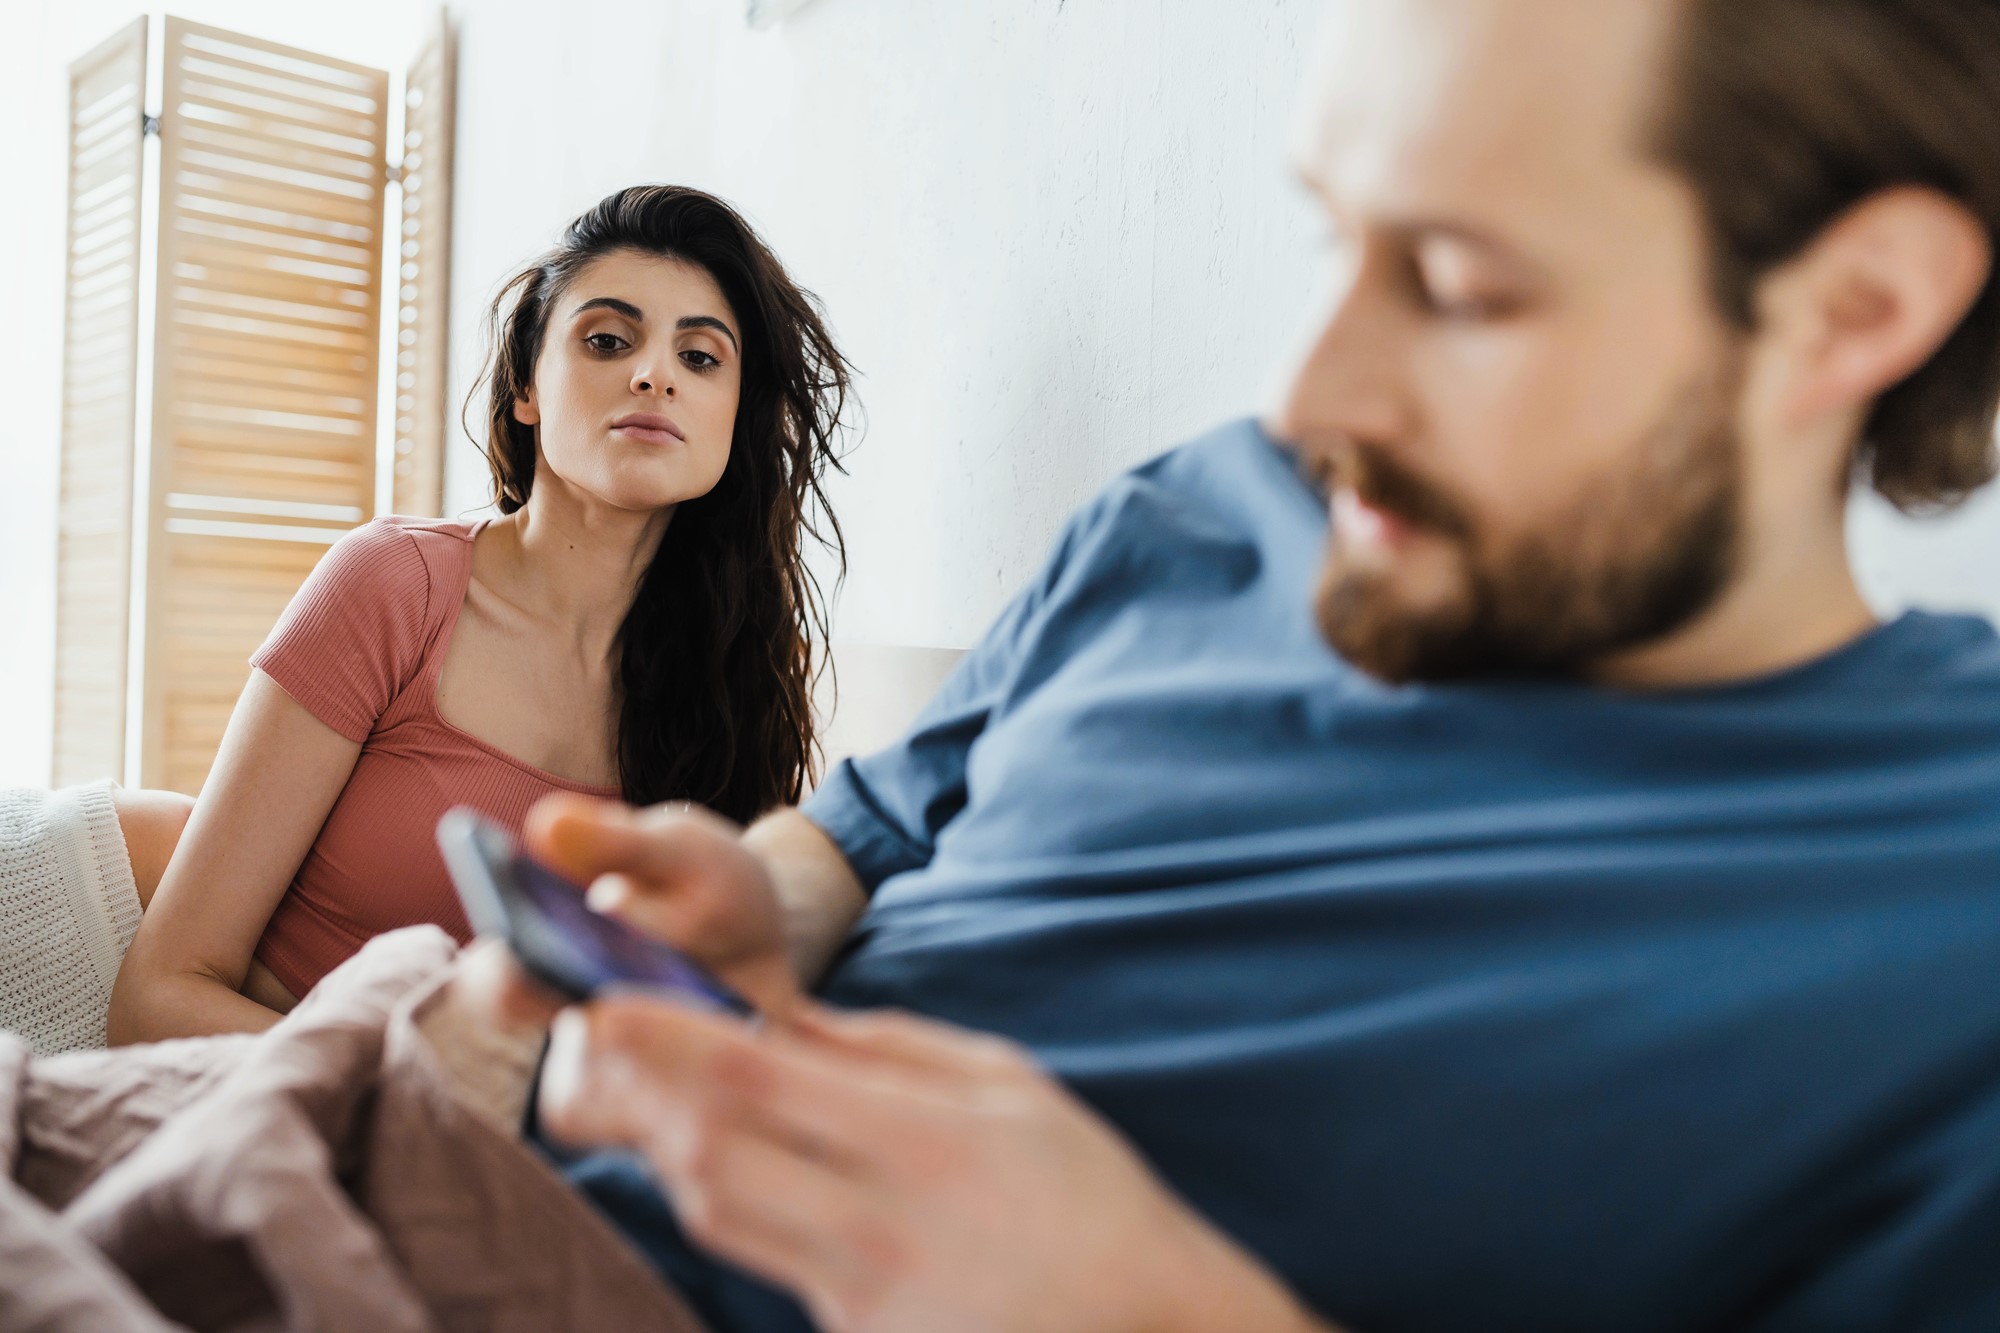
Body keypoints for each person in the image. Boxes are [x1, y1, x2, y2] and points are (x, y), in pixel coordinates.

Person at [457, 1, 2000, 1330]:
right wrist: (763, 905)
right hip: (447, 1205)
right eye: (1339, 238)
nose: (1310, 395)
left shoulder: (1946, 909)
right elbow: (868, 829)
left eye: (1461, 287)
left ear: (1855, 307)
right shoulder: (1193, 518)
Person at [108, 186, 853, 1043]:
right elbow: (156, 999)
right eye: (608, 341)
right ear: (526, 386)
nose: (655, 374)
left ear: (733, 419)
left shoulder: (735, 684)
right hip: (86, 960)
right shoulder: (394, 583)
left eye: (702, 358)